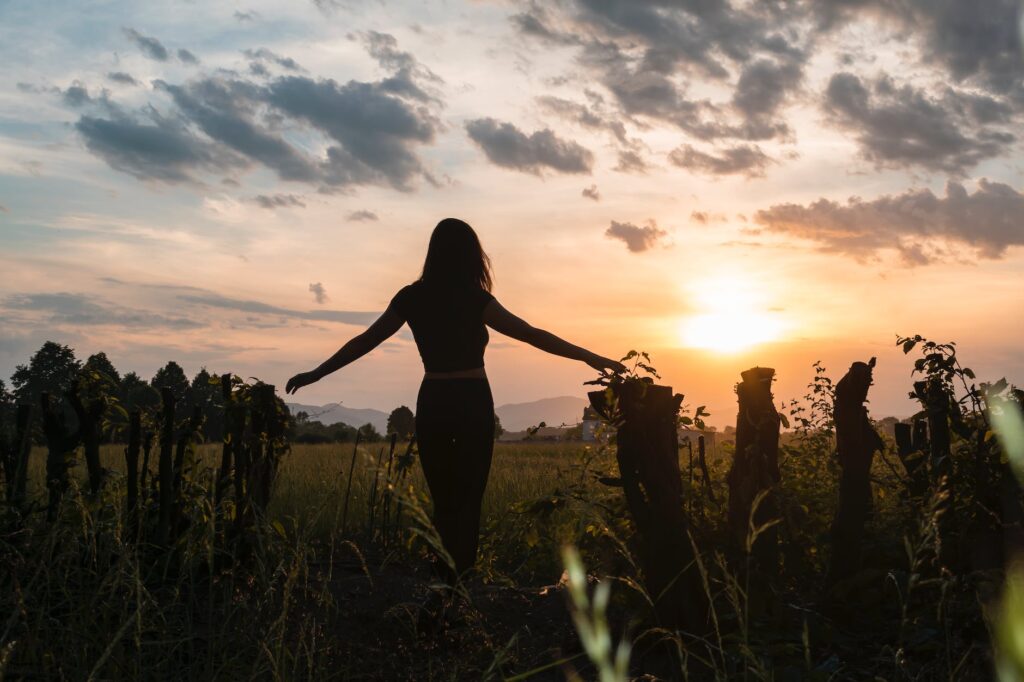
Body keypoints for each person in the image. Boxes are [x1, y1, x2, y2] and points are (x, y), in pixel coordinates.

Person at [286, 217, 624, 585]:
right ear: (470, 256)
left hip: (433, 401)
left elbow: (366, 341)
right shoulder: (474, 297)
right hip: (472, 401)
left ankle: (444, 583)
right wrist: (589, 356)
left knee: (444, 501)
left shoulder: (411, 297)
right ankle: (460, 583)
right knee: (468, 500)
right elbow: (530, 334)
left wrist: (316, 374)